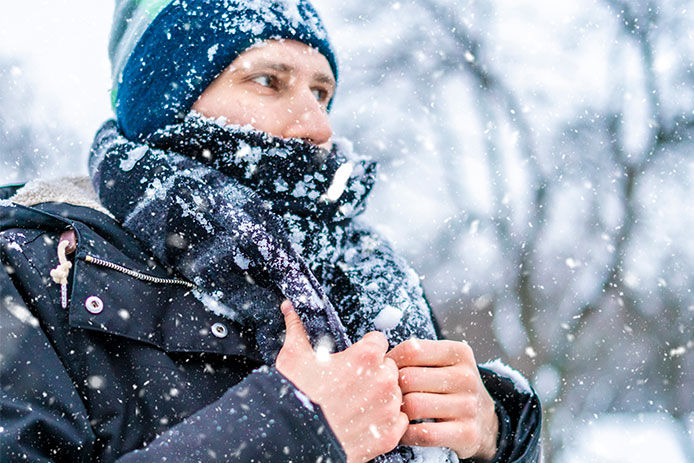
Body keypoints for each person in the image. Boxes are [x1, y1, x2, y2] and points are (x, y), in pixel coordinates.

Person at [0, 1, 541, 462]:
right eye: (268, 81)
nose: (318, 126)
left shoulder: (366, 271)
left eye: (322, 92)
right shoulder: (34, 266)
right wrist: (291, 429)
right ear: (167, 100)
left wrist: (496, 430)